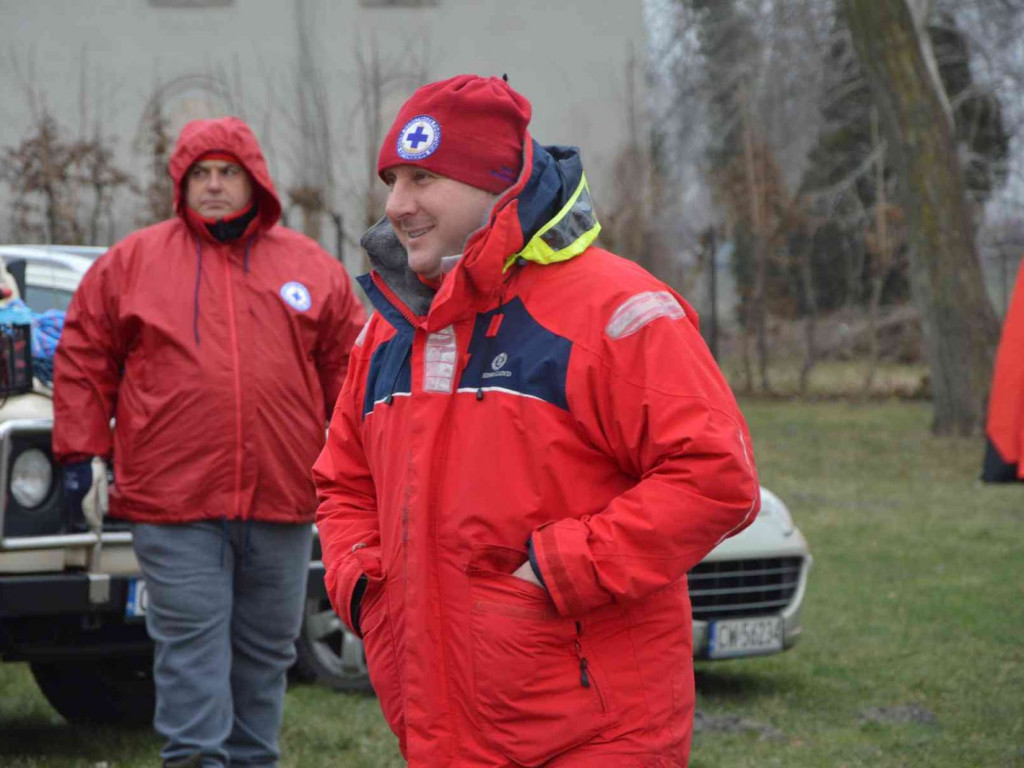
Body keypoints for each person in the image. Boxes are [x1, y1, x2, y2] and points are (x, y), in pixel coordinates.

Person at [313, 75, 760, 767]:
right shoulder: (389, 333)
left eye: (424, 179)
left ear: (497, 184)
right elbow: (342, 486)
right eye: (392, 180)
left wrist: (560, 570)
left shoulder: (616, 309)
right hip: (440, 725)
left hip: (594, 731)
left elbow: (715, 478)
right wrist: (367, 588)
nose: (397, 206)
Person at [53, 115, 366, 768]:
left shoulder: (312, 267)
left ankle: (254, 760)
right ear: (181, 182)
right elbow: (85, 352)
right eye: (202, 173)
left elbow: (352, 373)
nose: (216, 185)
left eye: (230, 172)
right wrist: (81, 452)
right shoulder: (133, 263)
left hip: (282, 497)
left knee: (267, 649)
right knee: (192, 645)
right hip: (175, 500)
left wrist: (366, 463)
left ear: (256, 182)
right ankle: (197, 760)